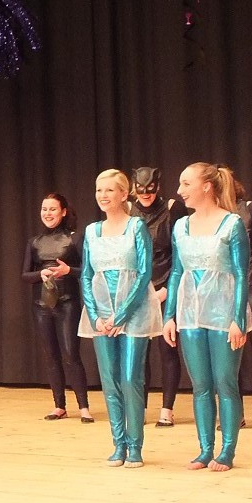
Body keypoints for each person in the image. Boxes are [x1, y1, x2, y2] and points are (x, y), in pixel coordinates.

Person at [163, 163, 250, 471]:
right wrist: (169, 315)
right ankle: (204, 449)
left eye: (186, 184)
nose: (180, 190)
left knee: (225, 382)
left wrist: (238, 318)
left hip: (224, 313)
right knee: (200, 385)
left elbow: (241, 274)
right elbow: (176, 272)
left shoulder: (232, 224)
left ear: (206, 186)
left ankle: (227, 450)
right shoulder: (180, 226)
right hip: (190, 314)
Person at [78, 170, 162, 467]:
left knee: (130, 379)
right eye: (99, 190)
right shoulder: (91, 231)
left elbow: (144, 272)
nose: (103, 195)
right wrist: (96, 315)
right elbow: (86, 275)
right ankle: (119, 444)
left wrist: (122, 315)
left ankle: (135, 446)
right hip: (101, 316)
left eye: (109, 190)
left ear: (124, 194)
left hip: (133, 313)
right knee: (110, 381)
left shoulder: (136, 226)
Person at [21, 193, 93, 423]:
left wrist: (68, 271)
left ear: (63, 212)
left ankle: (84, 407)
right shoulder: (34, 242)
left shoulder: (75, 239)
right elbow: (25, 275)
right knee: (51, 356)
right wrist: (40, 273)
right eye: (44, 209)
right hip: (41, 305)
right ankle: (59, 405)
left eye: (52, 209)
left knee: (71, 355)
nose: (47, 213)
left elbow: (88, 270)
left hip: (67, 303)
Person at [130, 167, 187, 427]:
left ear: (158, 187)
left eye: (150, 190)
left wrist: (168, 290)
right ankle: (139, 407)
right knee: (139, 352)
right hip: (139, 290)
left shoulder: (173, 209)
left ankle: (167, 409)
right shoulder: (129, 211)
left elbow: (181, 253)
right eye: (140, 190)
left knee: (167, 349)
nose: (145, 194)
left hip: (167, 286)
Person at [234, 178, 252, 412]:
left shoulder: (251, 209)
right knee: (231, 351)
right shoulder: (214, 216)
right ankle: (236, 412)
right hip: (226, 288)